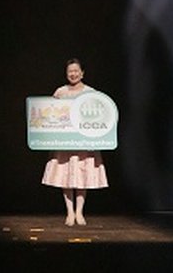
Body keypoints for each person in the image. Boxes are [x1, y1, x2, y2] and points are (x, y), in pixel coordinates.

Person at [41, 58, 108, 226]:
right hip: (65, 142)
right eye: (70, 71)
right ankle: (69, 212)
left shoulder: (91, 92)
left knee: (82, 175)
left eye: (76, 71)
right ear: (66, 73)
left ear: (82, 73)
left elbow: (100, 114)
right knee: (66, 175)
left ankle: (79, 212)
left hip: (84, 142)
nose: (73, 74)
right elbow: (51, 114)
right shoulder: (60, 92)